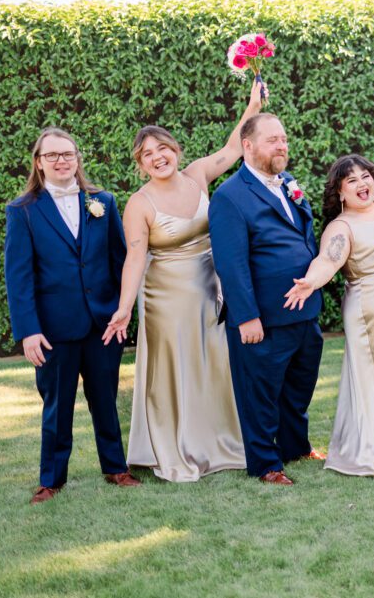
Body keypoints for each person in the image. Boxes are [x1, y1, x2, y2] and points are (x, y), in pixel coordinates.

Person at [103, 79, 264, 482]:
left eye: (163, 149)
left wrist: (252, 107)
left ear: (176, 151)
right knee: (179, 368)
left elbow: (232, 149)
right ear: (140, 165)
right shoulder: (139, 204)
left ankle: (222, 443)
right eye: (147, 155)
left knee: (216, 363)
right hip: (166, 297)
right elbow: (135, 258)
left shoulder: (197, 176)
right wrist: (124, 309)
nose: (158, 158)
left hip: (213, 286)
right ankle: (177, 446)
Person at [283, 115, 374, 481]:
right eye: (353, 180)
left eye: (366, 176)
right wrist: (310, 283)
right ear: (340, 193)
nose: (363, 183)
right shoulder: (342, 226)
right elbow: (327, 260)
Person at [4, 128, 141, 504]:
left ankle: (116, 468)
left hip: (102, 325)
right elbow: (18, 277)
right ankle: (52, 479)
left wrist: (123, 314)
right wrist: (28, 331)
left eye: (68, 154)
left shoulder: (103, 202)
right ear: (39, 162)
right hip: (52, 330)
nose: (62, 161)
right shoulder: (23, 211)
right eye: (53, 156)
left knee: (106, 401)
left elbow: (119, 261)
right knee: (57, 406)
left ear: (78, 159)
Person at [208, 112, 324, 485]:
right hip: (263, 317)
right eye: (273, 139)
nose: (282, 145)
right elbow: (231, 263)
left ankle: (295, 446)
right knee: (259, 393)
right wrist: (246, 316)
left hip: (304, 312)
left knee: (298, 387)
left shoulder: (289, 183)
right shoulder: (229, 196)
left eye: (284, 138)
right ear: (248, 146)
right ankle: (265, 463)